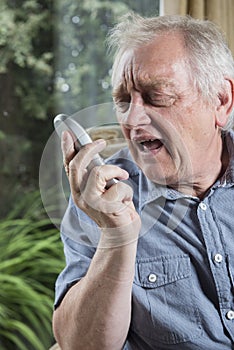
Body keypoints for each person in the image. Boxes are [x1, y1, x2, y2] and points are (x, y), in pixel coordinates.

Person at [52, 12, 234, 350]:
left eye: (158, 97)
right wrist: (116, 236)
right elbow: (78, 345)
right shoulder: (102, 199)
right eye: (123, 101)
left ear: (221, 100)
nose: (133, 120)